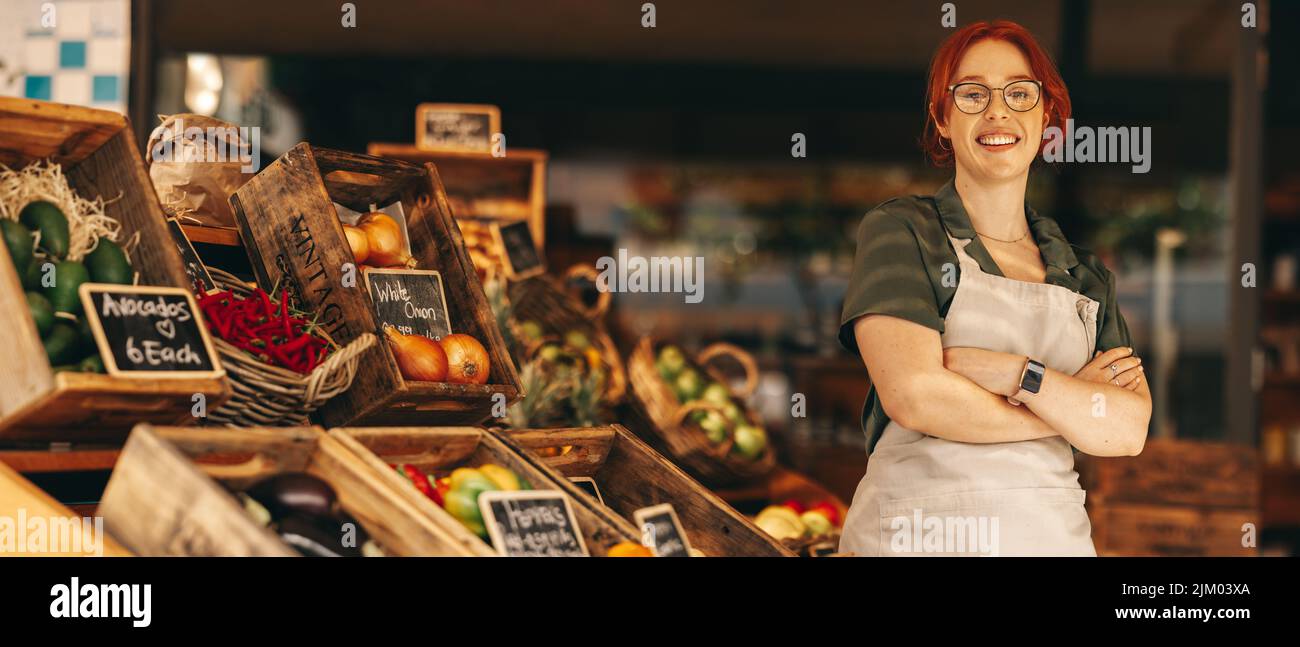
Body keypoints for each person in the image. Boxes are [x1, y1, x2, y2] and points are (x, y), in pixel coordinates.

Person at [838, 20, 1151, 557]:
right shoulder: (903, 231)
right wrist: (1062, 407)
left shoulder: (1085, 275)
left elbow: (1123, 430)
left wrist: (1014, 374)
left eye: (1020, 93)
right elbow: (915, 395)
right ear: (942, 118)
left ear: (1046, 117)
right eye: (972, 93)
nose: (998, 111)